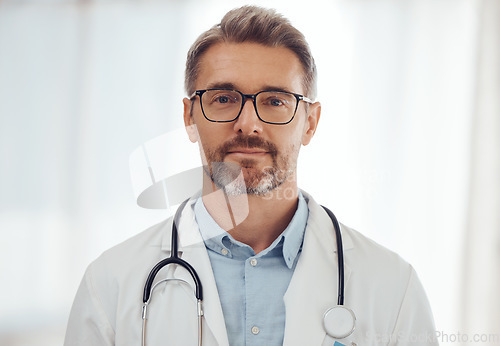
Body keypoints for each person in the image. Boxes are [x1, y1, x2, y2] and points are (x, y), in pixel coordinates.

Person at [64, 5, 438, 346]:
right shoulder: (110, 286)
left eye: (275, 101)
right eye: (224, 99)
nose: (249, 125)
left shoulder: (392, 287)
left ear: (310, 123)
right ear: (189, 117)